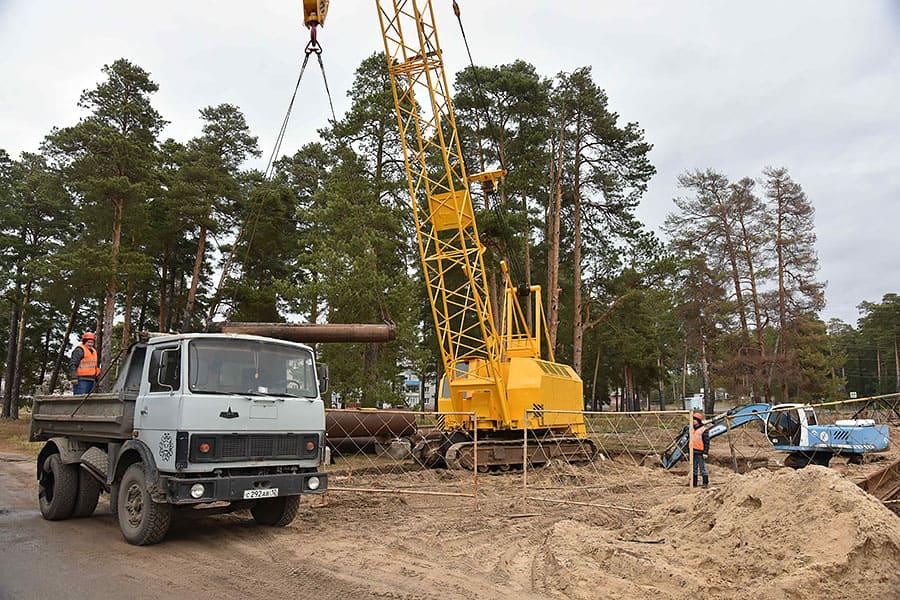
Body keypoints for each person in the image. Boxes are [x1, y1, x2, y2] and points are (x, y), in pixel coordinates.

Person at [690, 411, 710, 488]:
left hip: (700, 452)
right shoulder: (691, 429)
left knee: (702, 468)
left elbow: (707, 442)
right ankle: (694, 483)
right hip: (693, 451)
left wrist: (705, 453)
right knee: (694, 468)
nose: (693, 421)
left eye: (694, 420)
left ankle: (705, 483)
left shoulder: (703, 430)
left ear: (698, 421)